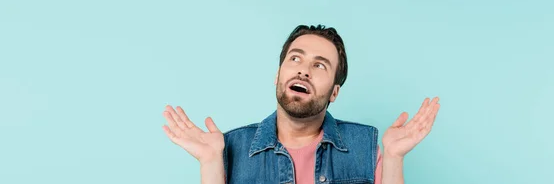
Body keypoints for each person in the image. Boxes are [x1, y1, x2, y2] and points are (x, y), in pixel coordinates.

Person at [161, 24, 441, 184]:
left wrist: (394, 158)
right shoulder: (231, 148)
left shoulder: (364, 146)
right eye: (295, 58)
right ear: (277, 75)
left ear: (334, 92)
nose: (303, 70)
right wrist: (210, 164)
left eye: (319, 65)